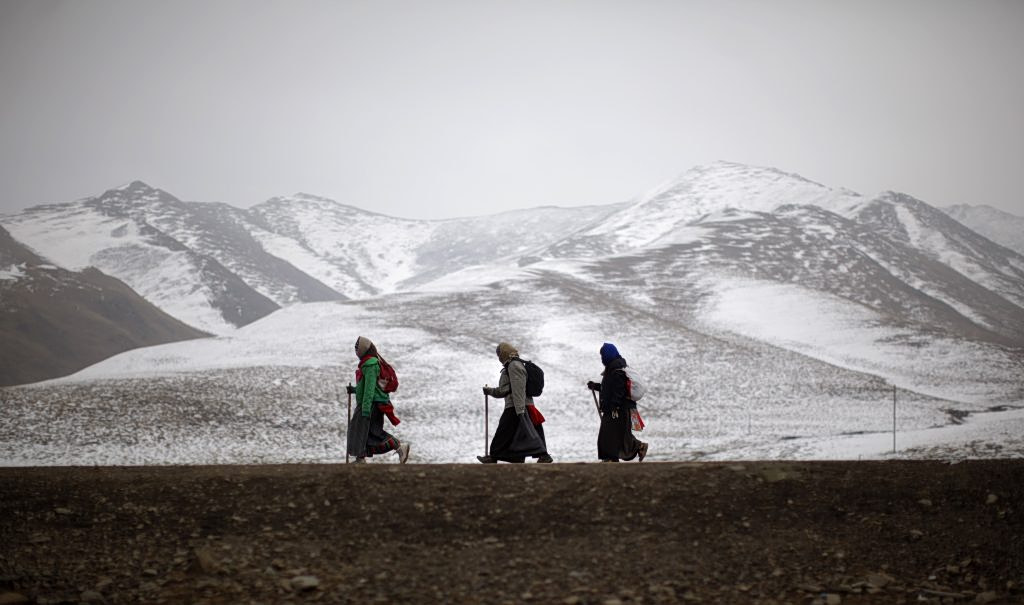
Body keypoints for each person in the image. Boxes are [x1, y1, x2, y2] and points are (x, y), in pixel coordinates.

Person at [478, 342, 553, 464]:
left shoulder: (514, 366)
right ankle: (538, 456)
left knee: (504, 432)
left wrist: (520, 410)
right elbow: (505, 390)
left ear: (504, 353)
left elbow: (518, 388)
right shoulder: (512, 366)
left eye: (499, 354)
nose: (499, 357)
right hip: (521, 405)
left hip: (517, 406)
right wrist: (490, 391)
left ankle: (494, 456)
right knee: (531, 430)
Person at [347, 336, 410, 464]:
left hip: (370, 405)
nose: (356, 351)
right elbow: (366, 387)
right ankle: (361, 458)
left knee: (367, 432)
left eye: (357, 348)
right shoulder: (370, 363)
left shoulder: (370, 365)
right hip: (372, 403)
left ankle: (398, 446)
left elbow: (370, 389)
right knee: (367, 433)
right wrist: (354, 390)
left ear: (363, 350)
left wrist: (365, 409)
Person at [587, 343, 648, 462]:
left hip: (619, 408)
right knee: (617, 434)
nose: (602, 359)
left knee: (610, 434)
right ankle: (616, 455)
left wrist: (615, 405)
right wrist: (596, 386)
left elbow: (618, 390)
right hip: (618, 408)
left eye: (603, 355)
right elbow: (610, 389)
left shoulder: (616, 370)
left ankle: (611, 458)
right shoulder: (614, 368)